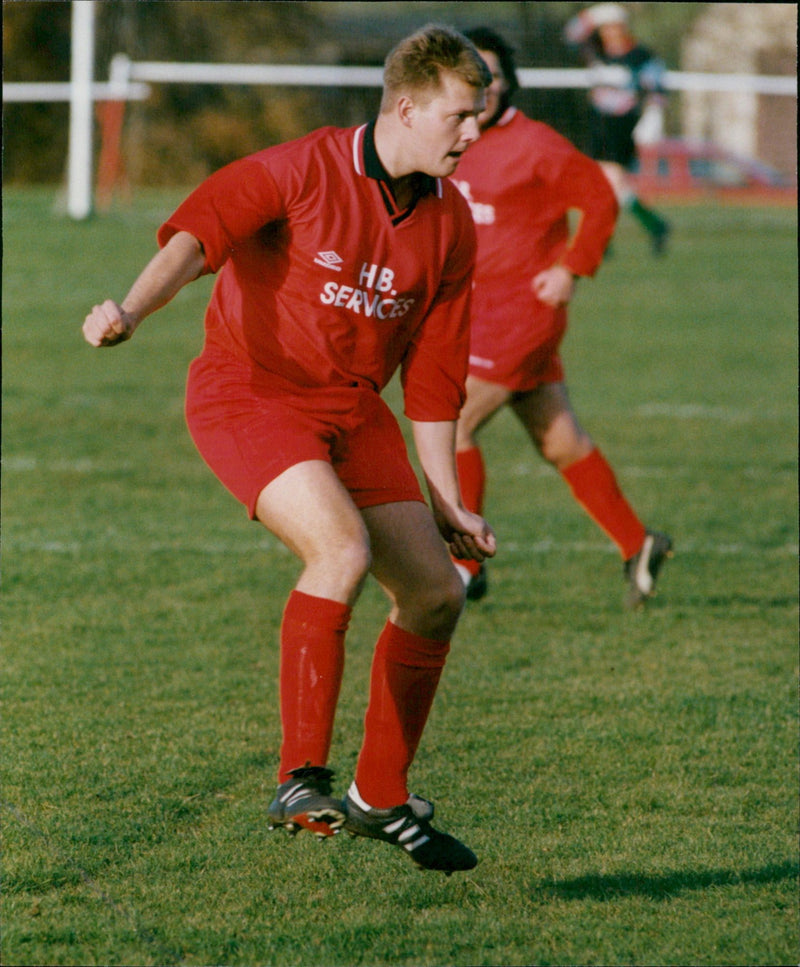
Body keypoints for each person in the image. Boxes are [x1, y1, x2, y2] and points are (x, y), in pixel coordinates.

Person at [83, 25, 495, 875]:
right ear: (408, 106)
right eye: (461, 115)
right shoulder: (302, 167)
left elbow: (435, 380)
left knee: (435, 595)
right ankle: (298, 779)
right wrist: (129, 310)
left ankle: (381, 795)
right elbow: (199, 237)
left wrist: (446, 498)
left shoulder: (452, 225)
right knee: (337, 548)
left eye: (480, 117)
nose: (473, 134)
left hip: (354, 410)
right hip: (249, 391)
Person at [449, 26, 672, 609]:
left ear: (509, 81)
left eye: (493, 74)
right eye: (474, 74)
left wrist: (572, 268)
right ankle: (638, 542)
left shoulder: (536, 144)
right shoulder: (454, 141)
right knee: (561, 442)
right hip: (480, 314)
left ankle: (466, 564)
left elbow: (599, 196)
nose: (485, 85)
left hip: (523, 314)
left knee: (453, 426)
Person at [564, 2, 671, 255]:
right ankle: (654, 226)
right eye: (605, 27)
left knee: (608, 180)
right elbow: (570, 34)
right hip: (597, 122)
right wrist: (592, 14)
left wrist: (653, 115)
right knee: (609, 183)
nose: (610, 33)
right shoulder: (595, 51)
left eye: (614, 27)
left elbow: (657, 86)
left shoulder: (640, 55)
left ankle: (601, 237)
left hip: (620, 125)